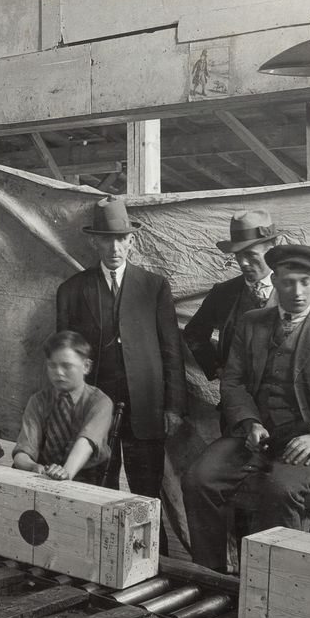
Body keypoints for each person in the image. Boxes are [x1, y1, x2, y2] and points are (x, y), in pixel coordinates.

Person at [182, 245, 310, 571]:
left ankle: (276, 586)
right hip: (261, 436)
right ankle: (213, 576)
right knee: (197, 479)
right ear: (276, 279)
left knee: (281, 488)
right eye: (287, 282)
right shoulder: (251, 323)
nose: (296, 292)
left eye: (305, 281)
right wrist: (249, 422)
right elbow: (234, 383)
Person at [55, 196, 187, 498]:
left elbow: (171, 350)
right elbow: (64, 361)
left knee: (147, 494)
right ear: (94, 244)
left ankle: (153, 546)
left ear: (132, 242)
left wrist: (174, 407)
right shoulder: (72, 291)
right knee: (98, 491)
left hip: (146, 407)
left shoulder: (154, 286)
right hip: (93, 409)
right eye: (107, 241)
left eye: (121, 240)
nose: (114, 249)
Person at [185, 211, 279, 381]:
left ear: (272, 247)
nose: (242, 262)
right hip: (235, 399)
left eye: (250, 254)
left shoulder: (298, 289)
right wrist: (217, 368)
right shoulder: (223, 293)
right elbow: (194, 333)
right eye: (238, 254)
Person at [12, 331, 115, 482]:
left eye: (67, 366)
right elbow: (23, 451)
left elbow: (85, 444)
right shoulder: (38, 401)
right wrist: (32, 466)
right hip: (43, 476)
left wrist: (64, 473)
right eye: (52, 365)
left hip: (85, 479)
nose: (58, 373)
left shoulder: (100, 402)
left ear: (86, 366)